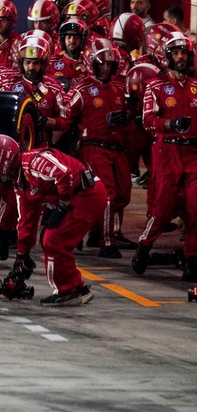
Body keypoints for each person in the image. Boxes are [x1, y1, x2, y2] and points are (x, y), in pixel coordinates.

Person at [0, 134, 106, 306]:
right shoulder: (20, 182)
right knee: (50, 239)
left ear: (2, 161)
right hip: (81, 196)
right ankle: (77, 287)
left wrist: (63, 205)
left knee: (53, 241)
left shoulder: (33, 162)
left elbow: (65, 174)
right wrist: (22, 255)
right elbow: (26, 219)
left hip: (87, 194)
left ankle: (68, 291)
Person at [0, 33, 65, 260]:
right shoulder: (7, 82)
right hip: (7, 146)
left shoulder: (54, 87)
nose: (31, 67)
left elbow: (65, 120)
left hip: (36, 153)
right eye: (27, 62)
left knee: (18, 198)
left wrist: (47, 122)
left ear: (44, 63)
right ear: (20, 62)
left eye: (36, 63)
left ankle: (5, 236)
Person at [133, 30, 197, 283]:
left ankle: (191, 261)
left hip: (193, 154)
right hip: (166, 152)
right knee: (162, 209)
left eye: (184, 53)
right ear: (168, 56)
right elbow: (147, 120)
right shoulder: (156, 86)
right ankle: (144, 246)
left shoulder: (196, 87)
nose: (181, 57)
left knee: (195, 209)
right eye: (176, 53)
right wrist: (171, 124)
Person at [60, 37, 131, 258]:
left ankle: (94, 232)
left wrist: (126, 117)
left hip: (117, 147)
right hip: (92, 147)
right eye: (102, 63)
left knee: (123, 195)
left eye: (110, 64)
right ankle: (107, 242)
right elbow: (65, 118)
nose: (106, 68)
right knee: (108, 194)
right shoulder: (81, 89)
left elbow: (131, 112)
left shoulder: (120, 87)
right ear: (92, 63)